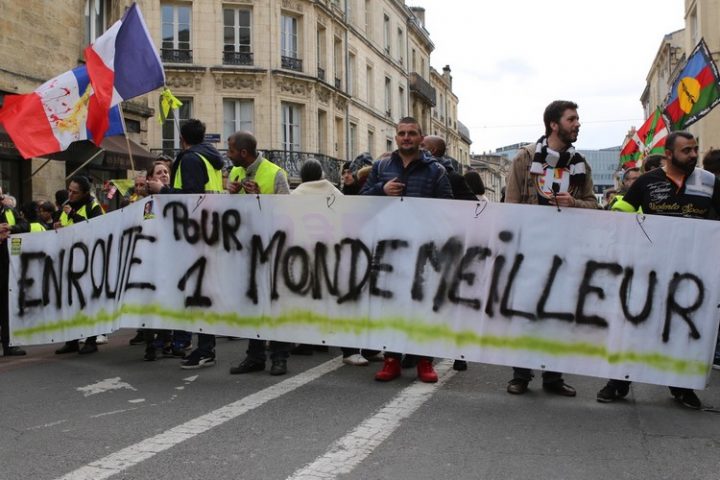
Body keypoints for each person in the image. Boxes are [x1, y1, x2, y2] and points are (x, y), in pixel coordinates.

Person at [596, 131, 719, 409]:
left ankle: (681, 386)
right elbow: (623, 213)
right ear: (668, 154)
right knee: (635, 325)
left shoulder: (711, 182)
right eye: (686, 150)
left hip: (692, 272)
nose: (693, 154)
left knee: (682, 329)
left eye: (695, 149)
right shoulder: (647, 182)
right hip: (648, 269)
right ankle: (619, 382)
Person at [504, 100, 597, 397]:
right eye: (572, 119)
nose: (578, 124)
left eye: (578, 119)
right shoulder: (525, 158)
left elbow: (593, 205)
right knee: (526, 313)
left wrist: (575, 204)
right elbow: (511, 205)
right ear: (553, 124)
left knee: (559, 313)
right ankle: (521, 374)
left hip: (566, 251)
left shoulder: (580, 163)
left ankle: (553, 377)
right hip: (530, 249)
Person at [361, 116, 453, 383]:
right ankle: (392, 360)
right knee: (389, 306)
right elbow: (362, 201)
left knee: (422, 306)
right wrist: (381, 189)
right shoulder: (381, 167)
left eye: (411, 133)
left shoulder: (436, 170)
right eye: (401, 133)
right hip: (388, 248)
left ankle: (425, 361)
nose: (406, 137)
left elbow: (448, 208)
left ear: (421, 138)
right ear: (396, 136)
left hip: (423, 250)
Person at [147, 119, 224, 369]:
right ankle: (206, 347)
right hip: (207, 230)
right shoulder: (210, 159)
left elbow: (190, 198)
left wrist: (162, 190)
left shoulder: (191, 159)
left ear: (182, 138)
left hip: (194, 233)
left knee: (197, 293)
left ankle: (204, 349)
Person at [226, 131, 292, 376]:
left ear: (243, 153)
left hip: (272, 249)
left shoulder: (275, 173)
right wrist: (230, 196)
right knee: (252, 304)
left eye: (230, 150)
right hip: (245, 249)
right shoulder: (234, 173)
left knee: (275, 304)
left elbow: (288, 212)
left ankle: (279, 356)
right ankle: (254, 356)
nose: (228, 155)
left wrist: (260, 198)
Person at [54, 175, 105, 354]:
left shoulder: (93, 207)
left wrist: (73, 215)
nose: (70, 194)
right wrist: (58, 227)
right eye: (69, 190)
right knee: (70, 302)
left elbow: (95, 229)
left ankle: (91, 340)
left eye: (75, 192)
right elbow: (64, 228)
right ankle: (72, 340)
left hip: (88, 261)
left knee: (88, 301)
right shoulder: (67, 207)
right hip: (69, 259)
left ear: (84, 193)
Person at [0, 187, 28, 356]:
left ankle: (8, 344)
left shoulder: (9, 211)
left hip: (6, 265)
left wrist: (11, 228)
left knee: (6, 307)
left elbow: (24, 225)